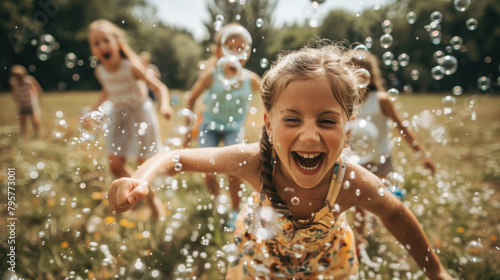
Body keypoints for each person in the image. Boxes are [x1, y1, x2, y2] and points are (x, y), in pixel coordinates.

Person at [108, 43, 453, 279]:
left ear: (347, 133)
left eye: (327, 121)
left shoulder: (351, 182)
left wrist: (435, 271)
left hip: (327, 268)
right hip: (260, 266)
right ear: (268, 124)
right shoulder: (253, 162)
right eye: (292, 120)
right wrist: (141, 179)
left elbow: (393, 212)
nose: (308, 136)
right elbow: (175, 156)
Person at [347, 50, 437, 247]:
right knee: (359, 205)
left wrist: (423, 156)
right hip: (357, 162)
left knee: (387, 203)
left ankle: (384, 234)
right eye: (350, 69)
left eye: (361, 69)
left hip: (382, 160)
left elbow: (402, 129)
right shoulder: (345, 103)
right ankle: (359, 244)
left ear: (369, 74)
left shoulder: (381, 100)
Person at [86, 19, 174, 219]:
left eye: (105, 40)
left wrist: (165, 105)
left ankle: (153, 203)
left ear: (117, 43)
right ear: (93, 50)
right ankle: (134, 190)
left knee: (145, 164)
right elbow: (107, 91)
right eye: (96, 43)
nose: (102, 46)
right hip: (118, 116)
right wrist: (92, 111)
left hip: (140, 114)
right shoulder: (100, 71)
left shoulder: (131, 67)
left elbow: (159, 87)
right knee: (115, 164)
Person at [184, 23, 262, 229]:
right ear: (220, 51)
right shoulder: (211, 76)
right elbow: (191, 99)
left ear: (247, 52)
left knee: (233, 169)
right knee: (208, 170)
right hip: (209, 126)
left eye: (241, 48)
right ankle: (219, 197)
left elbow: (271, 98)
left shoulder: (251, 80)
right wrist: (187, 129)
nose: (236, 53)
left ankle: (235, 210)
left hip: (234, 128)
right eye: (230, 47)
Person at [9, 65, 44, 140]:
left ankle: (38, 135)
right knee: (22, 121)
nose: (18, 78)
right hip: (21, 103)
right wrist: (15, 98)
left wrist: (38, 98)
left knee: (35, 120)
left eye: (20, 76)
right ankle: (24, 136)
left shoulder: (29, 80)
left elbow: (38, 90)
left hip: (31, 103)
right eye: (16, 76)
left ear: (24, 75)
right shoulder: (13, 82)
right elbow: (13, 91)